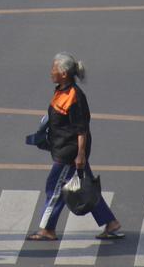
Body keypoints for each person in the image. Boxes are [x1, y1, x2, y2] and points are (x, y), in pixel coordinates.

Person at [27, 53, 124, 242]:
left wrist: (80, 155)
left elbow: (82, 129)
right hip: (63, 148)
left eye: (54, 69)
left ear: (63, 73)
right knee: (84, 187)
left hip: (69, 153)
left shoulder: (75, 97)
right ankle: (110, 223)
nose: (51, 72)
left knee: (55, 189)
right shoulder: (62, 90)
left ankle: (47, 229)